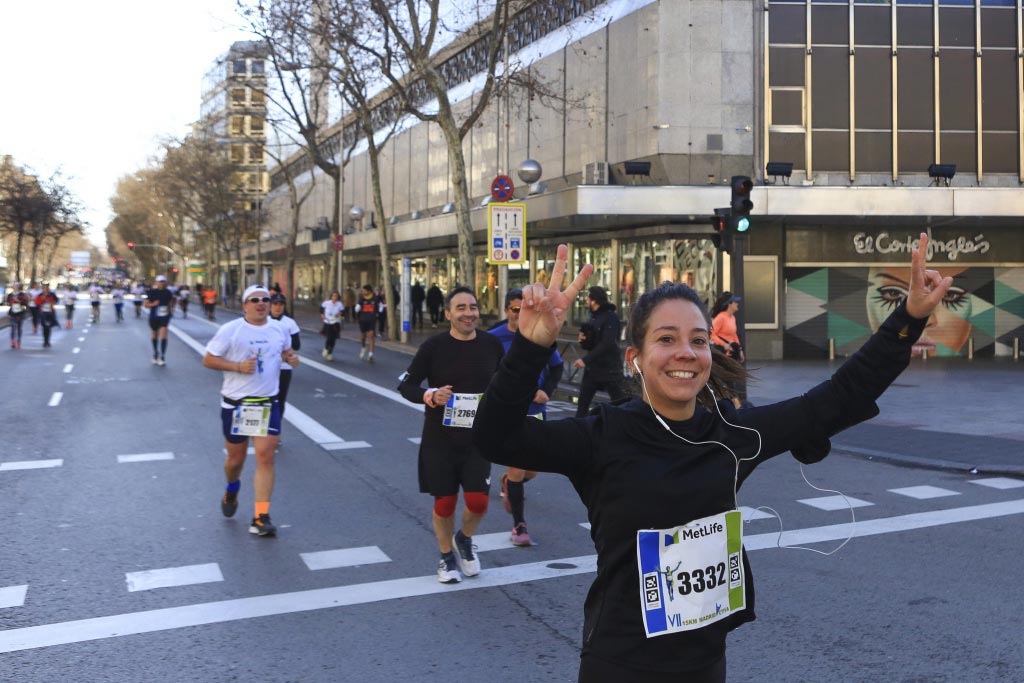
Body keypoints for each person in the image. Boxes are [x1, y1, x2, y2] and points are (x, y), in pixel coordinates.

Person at [473, 238, 953, 682]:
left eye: (698, 340)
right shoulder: (603, 435)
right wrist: (532, 346)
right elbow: (496, 438)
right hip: (619, 663)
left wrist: (907, 318)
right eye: (666, 339)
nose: (685, 352)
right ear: (635, 356)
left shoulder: (732, 435)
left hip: (705, 664)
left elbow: (839, 398)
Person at [397, 286, 504, 583]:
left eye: (473, 307)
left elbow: (505, 381)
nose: (469, 313)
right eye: (461, 308)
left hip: (478, 438)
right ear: (448, 314)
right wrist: (431, 395)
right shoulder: (434, 346)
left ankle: (464, 538)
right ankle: (446, 557)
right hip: (440, 439)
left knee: (478, 502)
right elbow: (406, 385)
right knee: (444, 503)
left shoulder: (492, 344)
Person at [203, 285, 299, 537]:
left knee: (266, 458)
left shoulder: (279, 328)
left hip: (266, 402)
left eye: (265, 299)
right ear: (244, 305)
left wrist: (291, 358)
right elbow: (209, 359)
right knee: (235, 461)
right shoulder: (231, 330)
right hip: (237, 404)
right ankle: (232, 487)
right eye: (254, 300)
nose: (261, 303)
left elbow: (286, 351)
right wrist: (237, 366)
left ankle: (260, 517)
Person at [486, 288, 564, 546]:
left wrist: (546, 391)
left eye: (525, 309)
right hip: (508, 410)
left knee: (534, 469)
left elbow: (557, 366)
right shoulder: (494, 338)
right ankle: (519, 526)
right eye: (515, 309)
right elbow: (486, 370)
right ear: (506, 310)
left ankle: (509, 482)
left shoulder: (540, 335)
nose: (520, 314)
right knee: (518, 465)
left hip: (536, 410)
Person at [573, 285, 628, 417]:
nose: (586, 301)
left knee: (620, 403)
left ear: (594, 300)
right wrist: (583, 340)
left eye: (588, 298)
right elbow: (592, 343)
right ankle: (579, 427)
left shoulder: (610, 317)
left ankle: (625, 426)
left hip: (609, 369)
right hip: (593, 369)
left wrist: (585, 360)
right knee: (582, 404)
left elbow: (607, 343)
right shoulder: (593, 318)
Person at [270, 293, 301, 418]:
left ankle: (277, 426)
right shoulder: (264, 321)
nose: (278, 307)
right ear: (270, 305)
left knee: (280, 399)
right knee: (267, 398)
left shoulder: (289, 323)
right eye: (275, 304)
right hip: (267, 366)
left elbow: (297, 345)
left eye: (281, 304)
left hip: (284, 366)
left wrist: (286, 349)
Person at [144, 275, 175, 366]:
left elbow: (171, 303)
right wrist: (153, 304)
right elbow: (146, 305)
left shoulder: (168, 292)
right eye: (160, 281)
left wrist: (171, 309)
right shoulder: (152, 292)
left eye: (163, 281)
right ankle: (155, 353)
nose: (161, 283)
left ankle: (162, 356)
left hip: (164, 316)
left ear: (165, 282)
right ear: (157, 282)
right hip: (154, 316)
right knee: (155, 335)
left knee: (164, 334)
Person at [710, 293, 744, 363]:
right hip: (722, 353)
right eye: (735, 302)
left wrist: (740, 350)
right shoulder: (720, 317)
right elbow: (712, 335)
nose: (737, 304)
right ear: (729, 304)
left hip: (732, 352)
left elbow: (734, 335)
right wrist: (724, 344)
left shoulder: (733, 317)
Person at [356, 285, 379, 361]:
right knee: (363, 336)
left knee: (371, 335)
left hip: (371, 320)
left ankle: (371, 354)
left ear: (369, 291)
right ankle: (363, 346)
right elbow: (358, 308)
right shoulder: (361, 298)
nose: (363, 292)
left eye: (364, 291)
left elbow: (378, 308)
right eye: (362, 291)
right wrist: (357, 308)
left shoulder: (375, 298)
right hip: (363, 320)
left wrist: (378, 314)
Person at [320, 290, 344, 361]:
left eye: (336, 296)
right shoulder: (326, 303)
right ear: (331, 296)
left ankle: (330, 353)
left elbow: (343, 311)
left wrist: (340, 313)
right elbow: (321, 308)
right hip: (328, 322)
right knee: (329, 337)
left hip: (336, 322)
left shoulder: (339, 304)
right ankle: (326, 348)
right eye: (333, 296)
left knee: (333, 339)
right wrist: (322, 314)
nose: (335, 297)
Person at [5, 282, 30, 349]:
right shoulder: (10, 295)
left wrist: (19, 301)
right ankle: (12, 341)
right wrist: (11, 302)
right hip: (12, 313)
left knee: (19, 327)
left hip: (20, 313)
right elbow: (8, 303)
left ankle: (18, 341)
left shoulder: (22, 294)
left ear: (19, 287)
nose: (15, 287)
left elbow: (26, 303)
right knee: (13, 327)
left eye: (17, 286)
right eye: (14, 286)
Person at [35, 283, 59, 348]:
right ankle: (45, 341)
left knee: (48, 327)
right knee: (44, 327)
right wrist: (42, 300)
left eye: (46, 288)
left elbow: (56, 300)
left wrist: (52, 302)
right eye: (44, 288)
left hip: (50, 312)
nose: (45, 290)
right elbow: (37, 303)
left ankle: (48, 341)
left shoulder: (52, 294)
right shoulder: (40, 295)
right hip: (43, 313)